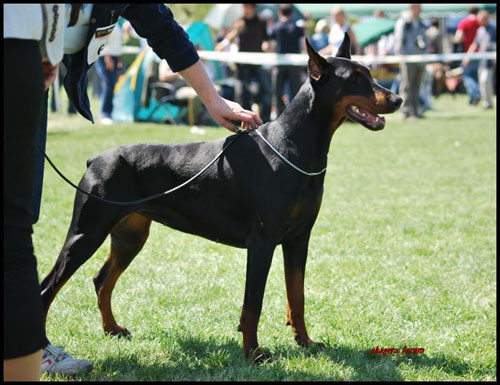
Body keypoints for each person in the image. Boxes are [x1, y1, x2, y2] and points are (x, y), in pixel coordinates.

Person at [5, 4, 262, 381]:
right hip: (18, 58)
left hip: (27, 63)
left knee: (16, 220)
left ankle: (25, 341)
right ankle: (25, 345)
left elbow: (163, 29)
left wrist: (213, 100)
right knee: (12, 228)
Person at [215, 3, 272, 122]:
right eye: (244, 7)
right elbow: (230, 38)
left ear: (253, 8)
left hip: (257, 63)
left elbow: (266, 40)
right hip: (242, 65)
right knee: (242, 93)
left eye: (247, 7)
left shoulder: (261, 22)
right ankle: (243, 119)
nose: (245, 10)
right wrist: (225, 42)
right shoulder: (239, 21)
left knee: (266, 90)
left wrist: (267, 46)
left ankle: (265, 120)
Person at [269, 4, 305, 118]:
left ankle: (279, 118)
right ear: (292, 14)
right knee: (295, 93)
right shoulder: (297, 28)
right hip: (294, 64)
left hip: (279, 63)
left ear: (280, 13)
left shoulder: (275, 27)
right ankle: (295, 117)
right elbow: (304, 45)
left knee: (277, 93)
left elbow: (271, 47)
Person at [393, 4, 428, 119]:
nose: (418, 10)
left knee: (417, 85)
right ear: (411, 8)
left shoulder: (422, 23)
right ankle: (406, 110)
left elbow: (424, 41)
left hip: (420, 59)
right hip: (407, 59)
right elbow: (398, 41)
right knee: (407, 84)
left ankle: (415, 109)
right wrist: (401, 57)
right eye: (416, 7)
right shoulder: (404, 22)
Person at [463, 10, 496, 109]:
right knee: (482, 82)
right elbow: (475, 44)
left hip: (491, 60)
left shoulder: (494, 29)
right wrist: (468, 56)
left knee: (485, 79)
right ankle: (487, 102)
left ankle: (488, 102)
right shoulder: (480, 30)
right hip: (481, 59)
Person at [94, 22, 123, 125]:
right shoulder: (107, 17)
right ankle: (104, 114)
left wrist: (119, 59)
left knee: (111, 84)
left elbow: (116, 42)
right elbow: (102, 38)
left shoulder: (117, 20)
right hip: (106, 56)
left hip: (114, 56)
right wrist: (107, 57)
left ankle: (109, 113)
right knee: (108, 84)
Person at [454, 6, 481, 105]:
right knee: (475, 76)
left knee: (467, 76)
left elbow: (458, 38)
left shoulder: (464, 22)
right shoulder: (480, 22)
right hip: (480, 54)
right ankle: (473, 98)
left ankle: (476, 95)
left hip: (467, 53)